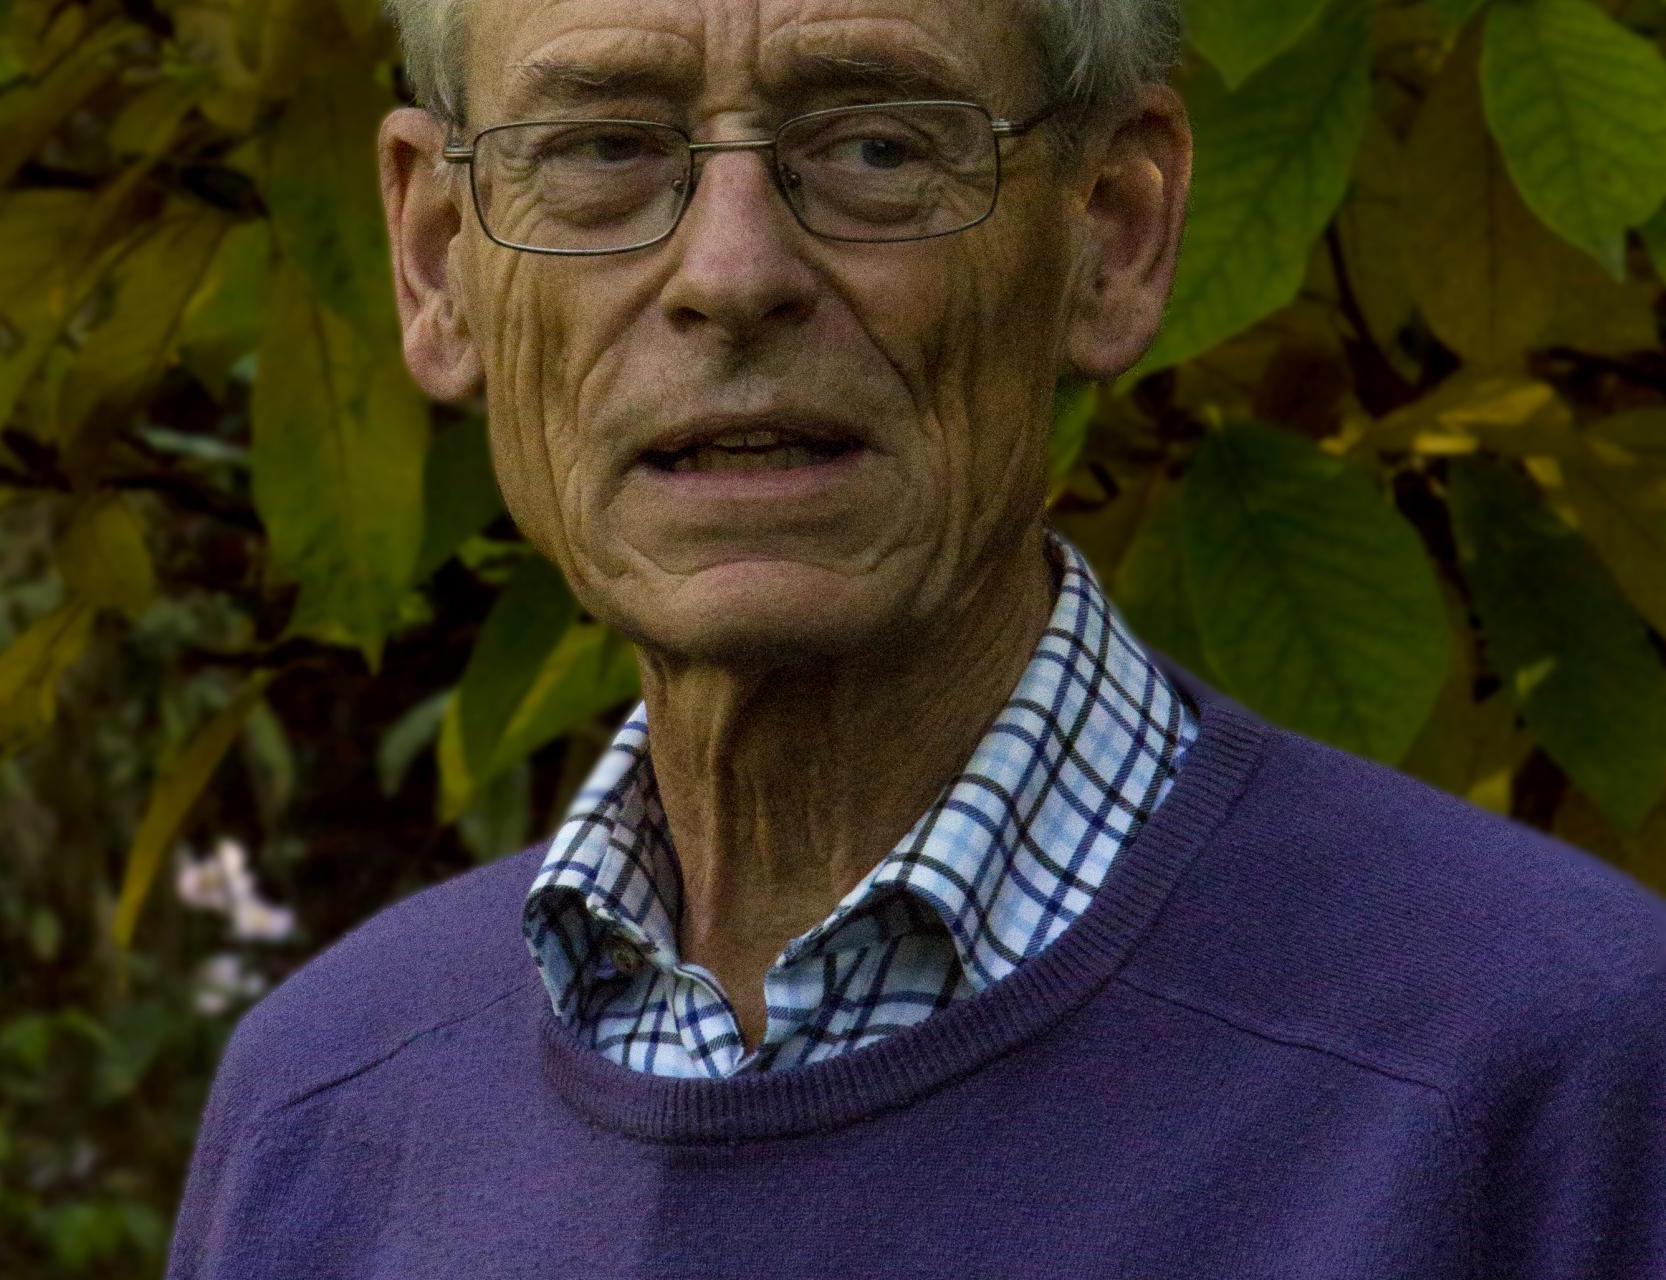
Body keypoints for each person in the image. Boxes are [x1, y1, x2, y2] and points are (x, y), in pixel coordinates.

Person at [165, 0, 1666, 1275]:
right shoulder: (327, 1113)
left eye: (877, 147)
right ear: (437, 262)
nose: (730, 276)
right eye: (604, 152)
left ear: (1114, 232)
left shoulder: (1548, 1067)